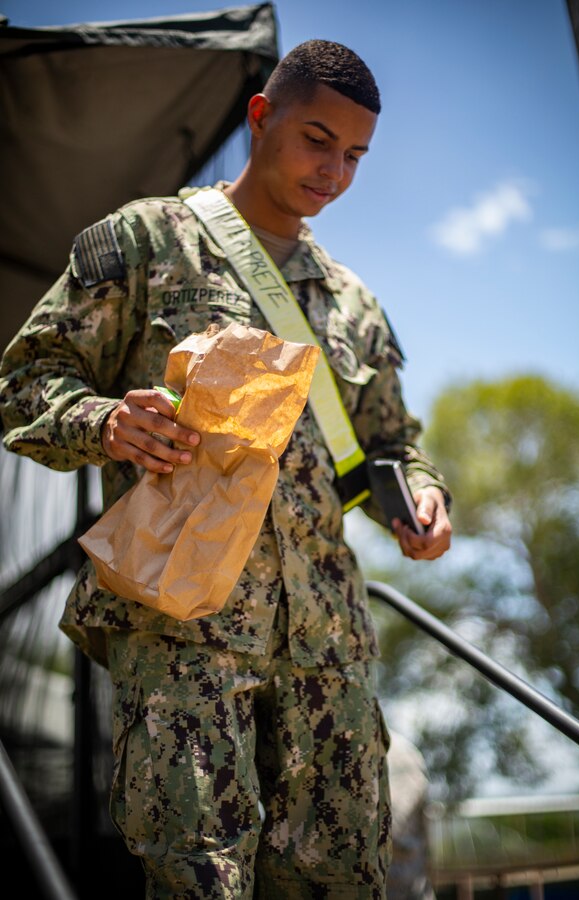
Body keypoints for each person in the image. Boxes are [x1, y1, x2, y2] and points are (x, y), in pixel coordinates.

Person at [0, 40, 451, 900]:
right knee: (200, 881)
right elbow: (23, 383)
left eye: (355, 155)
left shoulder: (351, 300)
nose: (336, 171)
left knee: (341, 883)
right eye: (318, 139)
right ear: (260, 117)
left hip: (327, 661)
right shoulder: (143, 240)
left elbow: (393, 441)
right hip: (183, 644)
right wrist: (107, 421)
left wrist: (423, 493)